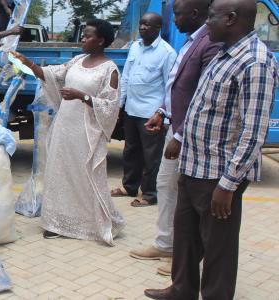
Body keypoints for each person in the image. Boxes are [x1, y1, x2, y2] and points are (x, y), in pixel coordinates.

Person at [145, 0, 279, 298]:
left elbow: (253, 132)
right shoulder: (223, 54)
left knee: (219, 247)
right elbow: (201, 105)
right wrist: (180, 138)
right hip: (193, 165)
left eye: (211, 17)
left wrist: (228, 185)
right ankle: (182, 290)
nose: (206, 23)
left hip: (218, 174)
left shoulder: (255, 62)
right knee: (187, 238)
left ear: (231, 19)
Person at [11, 19, 126, 245]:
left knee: (83, 176)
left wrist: (81, 96)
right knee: (59, 172)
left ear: (101, 40)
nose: (83, 38)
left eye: (88, 35)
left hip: (86, 132)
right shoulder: (78, 60)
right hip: (64, 126)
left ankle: (88, 222)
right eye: (83, 35)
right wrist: (28, 63)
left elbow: (111, 106)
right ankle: (55, 223)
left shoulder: (110, 69)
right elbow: (52, 75)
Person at [130, 0, 222, 276]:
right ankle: (165, 243)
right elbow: (177, 85)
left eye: (177, 15)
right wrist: (162, 111)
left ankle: (189, 257)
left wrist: (180, 135)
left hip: (192, 135)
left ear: (195, 14)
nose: (174, 21)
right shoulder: (191, 40)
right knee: (166, 186)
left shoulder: (210, 43)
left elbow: (204, 97)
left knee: (189, 197)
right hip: (176, 125)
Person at [112, 13, 176, 207]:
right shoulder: (135, 47)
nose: (143, 28)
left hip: (151, 113)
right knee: (131, 150)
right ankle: (129, 186)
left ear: (158, 28)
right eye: (141, 24)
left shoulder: (167, 53)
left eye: (148, 25)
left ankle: (149, 193)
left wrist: (164, 116)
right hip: (132, 109)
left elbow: (170, 87)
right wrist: (120, 106)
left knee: (151, 155)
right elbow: (126, 77)